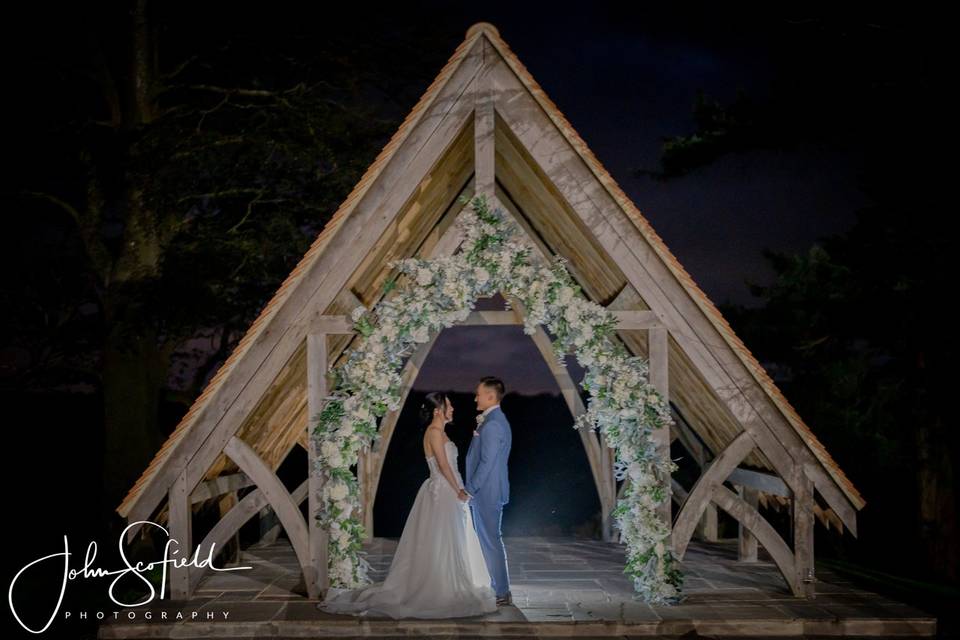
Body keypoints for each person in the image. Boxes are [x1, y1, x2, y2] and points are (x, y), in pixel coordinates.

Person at [317, 391, 497, 619]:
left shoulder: (440, 432)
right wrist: (459, 490)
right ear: (437, 411)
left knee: (451, 538)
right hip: (443, 491)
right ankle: (441, 586)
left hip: (448, 490)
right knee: (443, 539)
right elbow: (443, 465)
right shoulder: (433, 432)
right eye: (449, 406)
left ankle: (451, 580)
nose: (453, 410)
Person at [465, 375, 513, 606]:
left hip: (487, 491)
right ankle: (498, 588)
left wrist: (470, 489)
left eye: (479, 393)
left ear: (491, 396)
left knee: (491, 541)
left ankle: (502, 591)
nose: (475, 397)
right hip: (488, 491)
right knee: (488, 540)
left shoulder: (493, 424)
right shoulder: (492, 421)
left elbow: (486, 462)